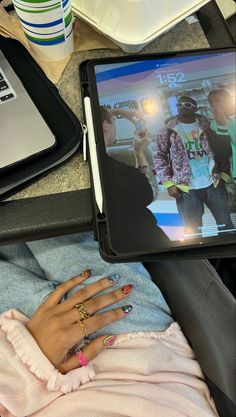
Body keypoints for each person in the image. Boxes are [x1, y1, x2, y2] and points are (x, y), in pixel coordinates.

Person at [0, 233, 220, 417]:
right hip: (135, 345)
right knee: (44, 205)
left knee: (16, 223)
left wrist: (31, 364)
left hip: (24, 383)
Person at [153, 95, 234, 237]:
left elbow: (223, 150)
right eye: (180, 104)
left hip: (213, 184)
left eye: (188, 104)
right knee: (192, 233)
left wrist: (225, 176)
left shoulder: (206, 126)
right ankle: (201, 258)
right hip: (185, 188)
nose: (183, 106)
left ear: (195, 107)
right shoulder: (168, 129)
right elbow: (159, 156)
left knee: (226, 226)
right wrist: (168, 183)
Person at [100, 106, 159, 200]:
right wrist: (139, 151)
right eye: (114, 122)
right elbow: (150, 193)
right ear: (106, 126)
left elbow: (98, 117)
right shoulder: (114, 168)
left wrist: (123, 113)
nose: (115, 127)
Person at [208, 89, 236, 212]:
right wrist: (221, 125)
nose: (214, 105)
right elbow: (222, 152)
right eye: (211, 102)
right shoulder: (214, 125)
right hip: (231, 177)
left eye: (218, 101)